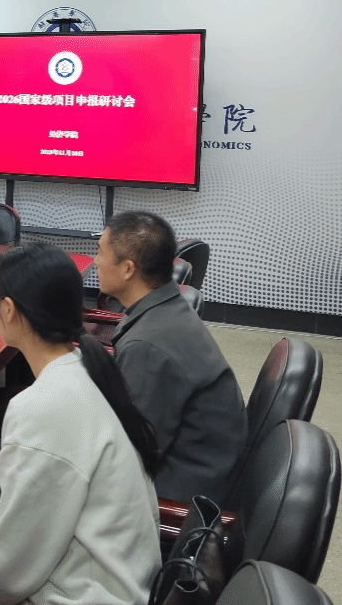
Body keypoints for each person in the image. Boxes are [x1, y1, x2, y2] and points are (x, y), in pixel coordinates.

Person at [0, 243, 162, 605]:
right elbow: (22, 535)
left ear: (8, 310)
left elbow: (10, 573)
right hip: (109, 579)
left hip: (84, 594)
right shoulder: (86, 368)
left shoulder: (43, 408)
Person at [96, 210, 248, 505]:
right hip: (203, 465)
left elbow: (131, 454)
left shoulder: (148, 346)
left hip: (183, 492)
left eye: (101, 252)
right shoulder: (166, 309)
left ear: (127, 269)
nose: (96, 261)